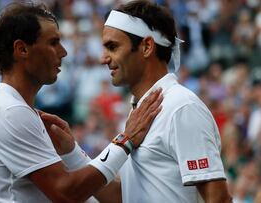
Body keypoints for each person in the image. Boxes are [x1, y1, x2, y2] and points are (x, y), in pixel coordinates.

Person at [0, 2, 163, 203]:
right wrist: (125, 140)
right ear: (22, 49)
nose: (63, 52)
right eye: (53, 43)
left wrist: (72, 152)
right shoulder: (9, 111)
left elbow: (107, 197)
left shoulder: (16, 110)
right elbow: (66, 194)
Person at [42, 0, 233, 202]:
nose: (103, 59)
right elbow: (123, 197)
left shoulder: (181, 107)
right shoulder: (141, 110)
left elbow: (218, 198)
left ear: (147, 47)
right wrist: (73, 153)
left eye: (112, 47)